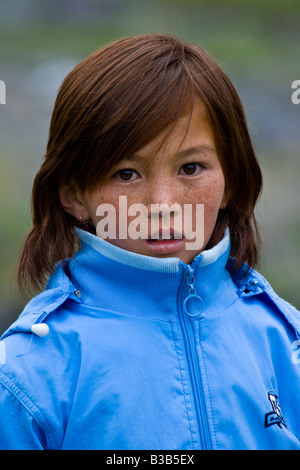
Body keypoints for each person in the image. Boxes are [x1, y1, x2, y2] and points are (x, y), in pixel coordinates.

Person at [0, 33, 299, 451]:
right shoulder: (26, 376)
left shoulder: (286, 344)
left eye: (191, 167)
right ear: (72, 194)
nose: (162, 204)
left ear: (231, 178)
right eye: (126, 174)